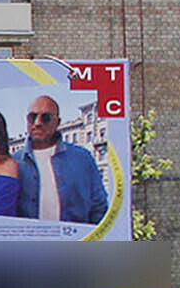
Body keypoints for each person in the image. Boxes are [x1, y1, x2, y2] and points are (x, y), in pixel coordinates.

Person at [14, 92, 110, 225]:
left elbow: (99, 207)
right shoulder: (13, 163)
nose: (37, 123)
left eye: (45, 118)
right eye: (32, 117)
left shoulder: (82, 159)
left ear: (57, 122)